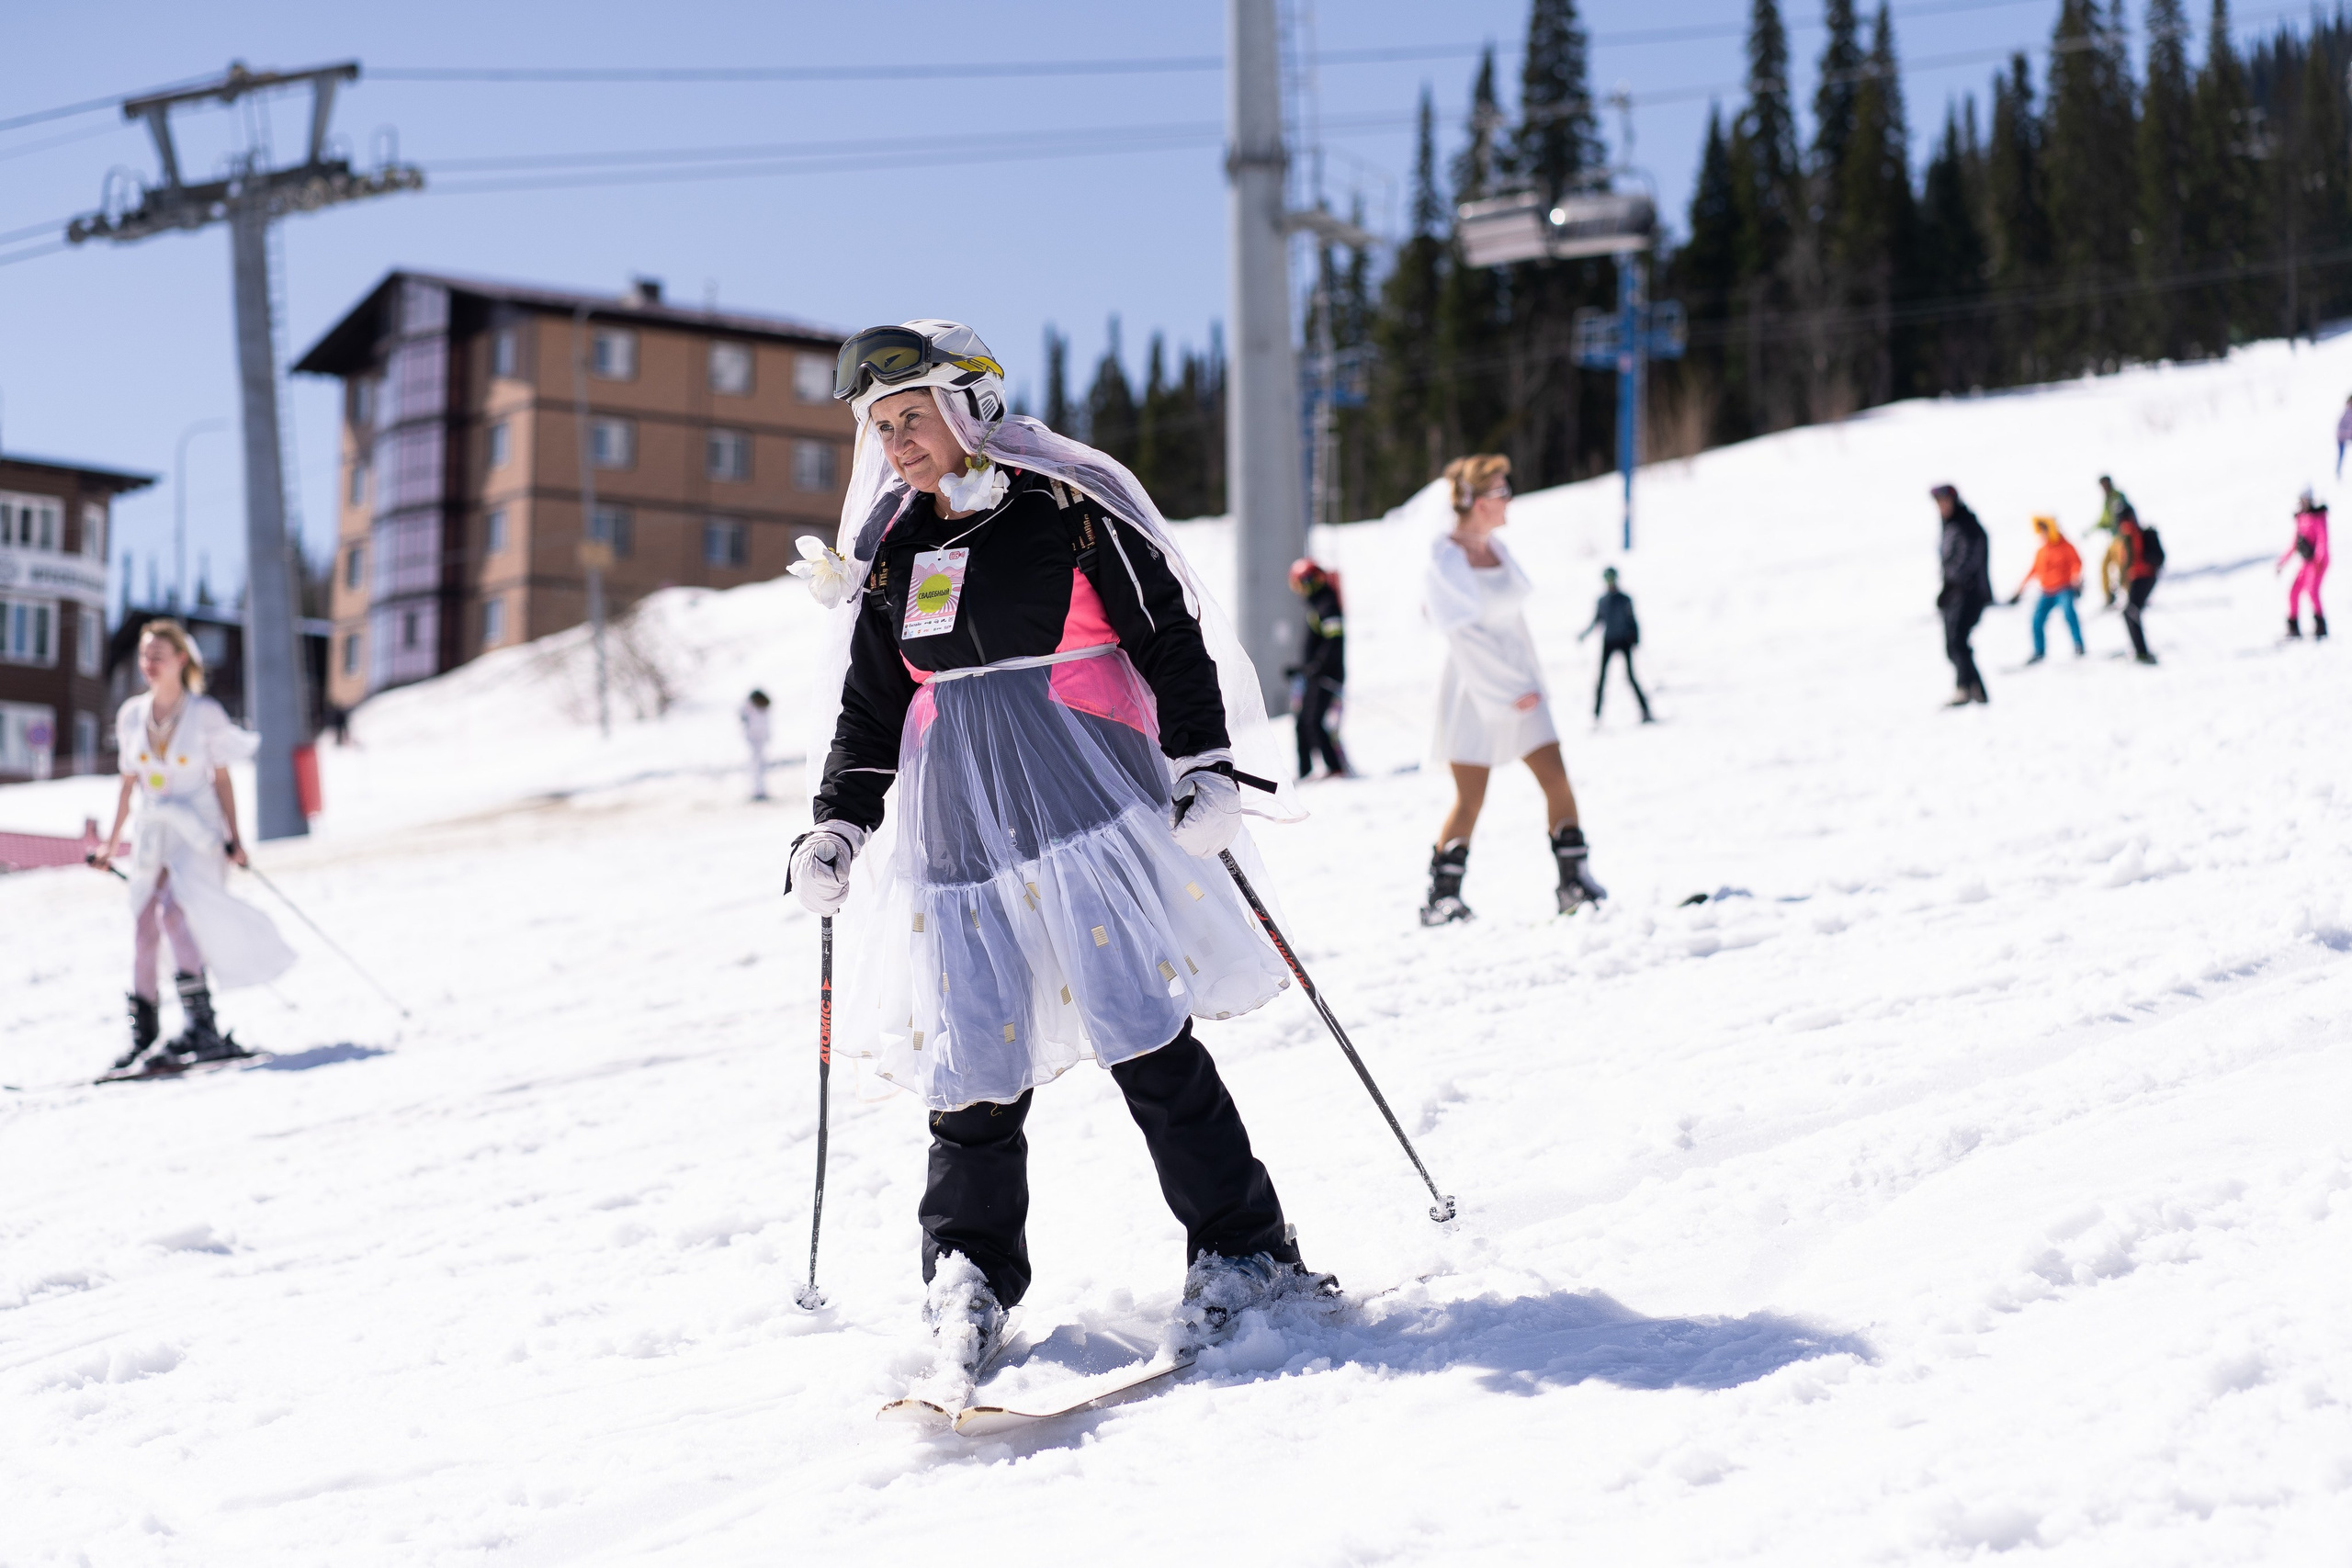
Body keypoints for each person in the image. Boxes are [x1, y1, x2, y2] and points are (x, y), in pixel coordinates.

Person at [788, 320, 1327, 1401]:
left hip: (1087, 803)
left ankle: (1245, 1249)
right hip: (959, 833)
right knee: (970, 1059)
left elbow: (1166, 636)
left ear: (970, 406)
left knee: (1142, 1030)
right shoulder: (898, 545)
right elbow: (871, 702)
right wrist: (838, 821)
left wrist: (1206, 763)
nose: (896, 444)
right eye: (881, 427)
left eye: (913, 418)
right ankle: (968, 1275)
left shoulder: (1067, 504)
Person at [89, 619, 296, 1072]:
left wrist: (234, 838)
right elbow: (129, 784)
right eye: (145, 656)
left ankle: (201, 1026)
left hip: (197, 831)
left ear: (182, 660)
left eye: (158, 655)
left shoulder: (205, 714)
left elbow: (221, 779)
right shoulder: (130, 715)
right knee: (144, 927)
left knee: (177, 915)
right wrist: (111, 843)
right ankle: (143, 1037)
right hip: (153, 831)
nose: (149, 664)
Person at [1419, 454, 1605, 925]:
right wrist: (1505, 689)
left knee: (1556, 779)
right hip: (1473, 688)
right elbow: (1461, 632)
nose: (1508, 500)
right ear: (1476, 502)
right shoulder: (1445, 555)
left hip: (1521, 682)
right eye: (1500, 492)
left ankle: (1573, 882)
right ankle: (1441, 898)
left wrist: (1529, 683)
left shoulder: (1497, 549)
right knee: (1470, 798)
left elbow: (1512, 622)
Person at [1286, 558, 1351, 780]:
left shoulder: (1327, 605)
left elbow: (1334, 642)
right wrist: (1301, 669)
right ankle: (1306, 771)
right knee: (1303, 721)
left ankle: (1335, 769)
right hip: (1316, 675)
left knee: (1315, 720)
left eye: (1303, 584)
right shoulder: (1318, 606)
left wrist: (1318, 667)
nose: (1302, 591)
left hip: (1327, 677)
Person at [1932, 484, 1993, 705]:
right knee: (1953, 643)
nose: (1941, 507)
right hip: (1955, 591)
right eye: (1938, 503)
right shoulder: (1950, 525)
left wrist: (1956, 582)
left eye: (1944, 502)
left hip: (1970, 592)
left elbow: (1969, 558)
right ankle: (1975, 688)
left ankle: (1965, 689)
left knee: (1957, 640)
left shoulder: (1966, 524)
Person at [1577, 566, 1651, 722]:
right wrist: (1585, 634)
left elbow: (1632, 620)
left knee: (1631, 677)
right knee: (1602, 678)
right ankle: (1596, 716)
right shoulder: (1602, 601)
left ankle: (1645, 710)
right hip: (1609, 641)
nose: (1610, 582)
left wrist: (1635, 638)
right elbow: (1597, 621)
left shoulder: (1625, 599)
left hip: (1624, 641)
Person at [2007, 514, 2085, 662]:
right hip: (2047, 591)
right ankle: (2039, 651)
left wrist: (2076, 578)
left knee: (2069, 615)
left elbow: (2076, 562)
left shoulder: (2065, 545)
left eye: (2045, 530)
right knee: (2037, 620)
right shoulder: (2042, 550)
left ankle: (2078, 645)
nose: (2043, 534)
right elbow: (2033, 570)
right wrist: (2020, 588)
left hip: (2064, 588)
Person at [2113, 506, 2163, 664]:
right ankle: (2140, 651)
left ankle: (2142, 652)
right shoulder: (2126, 537)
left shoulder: (2137, 534)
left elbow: (2157, 558)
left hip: (2144, 577)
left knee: (2131, 612)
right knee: (2131, 612)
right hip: (2137, 578)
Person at [2278, 491, 2330, 639]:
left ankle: (2321, 626)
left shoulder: (2318, 517)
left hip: (2317, 562)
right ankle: (2293, 626)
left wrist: (2319, 559)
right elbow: (2294, 544)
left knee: (2312, 591)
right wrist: (2282, 562)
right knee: (2293, 591)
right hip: (2306, 563)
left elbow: (2322, 540)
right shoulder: (2301, 518)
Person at [2092, 476, 2136, 607]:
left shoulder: (2117, 497)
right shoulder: (2107, 499)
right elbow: (2105, 519)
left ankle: (2131, 596)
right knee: (2105, 564)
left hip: (2122, 538)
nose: (2103, 488)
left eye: (2105, 484)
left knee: (2122, 565)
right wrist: (2095, 527)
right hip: (2113, 538)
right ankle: (2108, 596)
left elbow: (2123, 516)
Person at [740, 688, 773, 801]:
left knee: (759, 766)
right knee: (755, 766)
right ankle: (756, 790)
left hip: (759, 739)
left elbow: (765, 724)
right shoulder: (749, 707)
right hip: (753, 739)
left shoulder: (762, 708)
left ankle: (760, 790)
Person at [2335, 396, 2352, 479]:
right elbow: (2342, 426)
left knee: (2341, 455)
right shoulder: (2348, 413)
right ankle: (2338, 472)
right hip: (2342, 438)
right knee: (2341, 455)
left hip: (2345, 437)